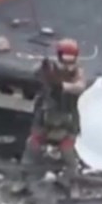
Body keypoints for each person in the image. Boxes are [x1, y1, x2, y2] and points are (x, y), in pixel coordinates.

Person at [20, 38, 87, 194]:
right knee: (32, 145)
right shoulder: (51, 68)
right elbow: (36, 74)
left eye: (71, 59)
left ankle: (71, 182)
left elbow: (80, 87)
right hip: (46, 115)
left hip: (67, 117)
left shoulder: (78, 72)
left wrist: (62, 86)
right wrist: (43, 67)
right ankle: (25, 177)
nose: (67, 64)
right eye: (65, 58)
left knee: (68, 153)